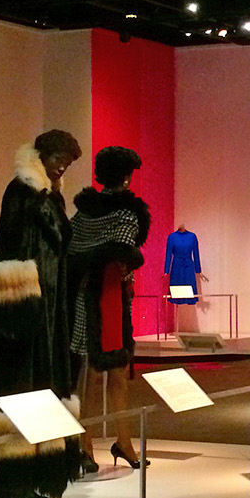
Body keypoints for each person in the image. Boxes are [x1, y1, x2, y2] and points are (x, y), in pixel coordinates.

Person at [0, 130, 85, 498]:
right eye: (58, 158)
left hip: (48, 318)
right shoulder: (22, 192)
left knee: (42, 390)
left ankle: (31, 482)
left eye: (67, 161)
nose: (62, 166)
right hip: (23, 316)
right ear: (42, 155)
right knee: (13, 390)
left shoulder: (49, 197)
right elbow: (9, 249)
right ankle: (3, 489)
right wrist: (19, 310)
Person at [69, 146, 150, 468]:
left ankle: (89, 443)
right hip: (109, 294)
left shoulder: (85, 212)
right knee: (111, 370)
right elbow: (122, 252)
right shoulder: (127, 213)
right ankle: (115, 441)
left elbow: (74, 247)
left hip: (85, 293)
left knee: (92, 373)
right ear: (127, 177)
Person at [163, 224, 205, 305]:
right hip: (176, 266)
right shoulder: (172, 237)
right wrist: (166, 271)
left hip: (188, 266)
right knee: (176, 291)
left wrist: (198, 270)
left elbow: (196, 254)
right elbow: (168, 254)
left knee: (189, 288)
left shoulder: (192, 237)